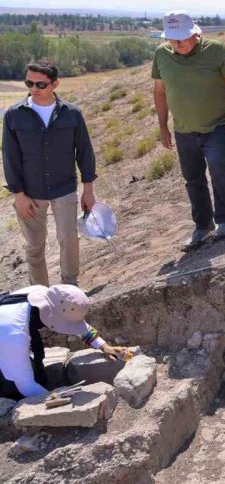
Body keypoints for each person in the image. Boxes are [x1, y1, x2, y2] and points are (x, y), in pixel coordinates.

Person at [153, 11, 225, 249]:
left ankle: (224, 220)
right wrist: (163, 126)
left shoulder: (216, 50)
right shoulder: (161, 55)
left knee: (218, 168)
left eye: (181, 38)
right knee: (193, 179)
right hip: (183, 130)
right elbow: (159, 91)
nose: (177, 43)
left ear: (194, 33)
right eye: (172, 39)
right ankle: (203, 226)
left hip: (216, 127)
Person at [2, 60, 97, 286]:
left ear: (55, 84)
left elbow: (84, 152)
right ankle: (40, 295)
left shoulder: (72, 113)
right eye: (29, 82)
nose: (33, 88)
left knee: (68, 239)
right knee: (34, 247)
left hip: (64, 187)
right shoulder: (14, 115)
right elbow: (10, 157)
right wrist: (19, 195)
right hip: (30, 193)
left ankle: (69, 287)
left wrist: (88, 190)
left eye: (40, 84)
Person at [0, 284, 128, 400]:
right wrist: (54, 398)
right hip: (6, 339)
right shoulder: (14, 335)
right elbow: (26, 385)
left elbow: (78, 325)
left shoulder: (42, 295)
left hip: (6, 340)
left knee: (30, 372)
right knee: (11, 389)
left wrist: (103, 346)